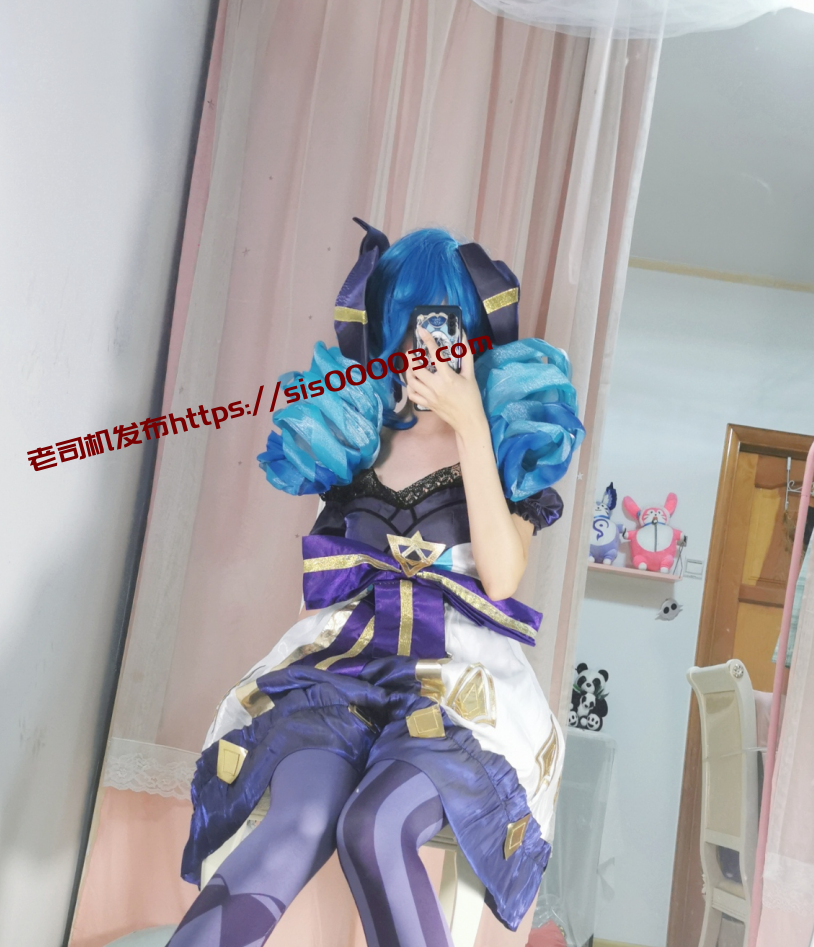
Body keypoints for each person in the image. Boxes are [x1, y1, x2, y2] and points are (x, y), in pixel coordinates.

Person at [169, 224, 584, 947]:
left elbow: (502, 574)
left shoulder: (507, 440)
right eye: (410, 324)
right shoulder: (357, 436)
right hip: (344, 675)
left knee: (374, 826)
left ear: (472, 327)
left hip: (456, 688)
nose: (428, 344)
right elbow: (319, 588)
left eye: (443, 322)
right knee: (299, 820)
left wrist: (470, 425)